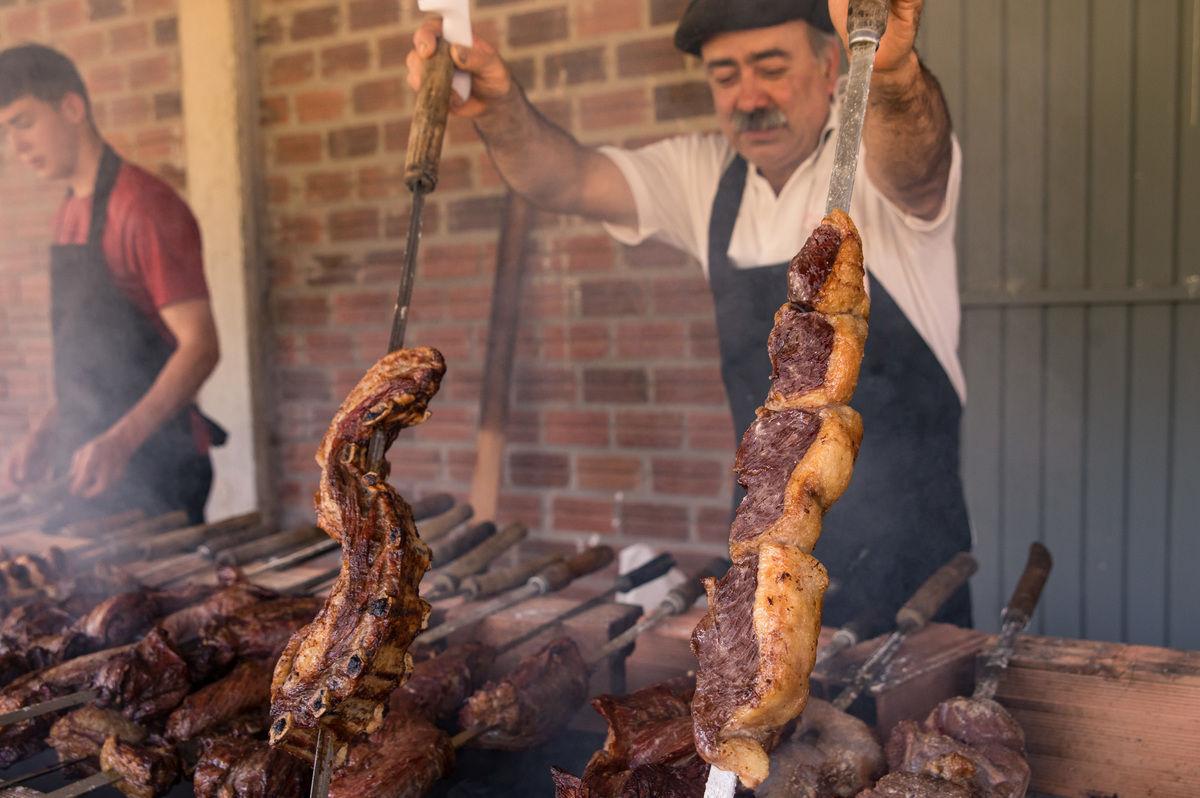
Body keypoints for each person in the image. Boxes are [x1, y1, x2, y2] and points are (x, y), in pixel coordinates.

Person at [408, 0, 973, 629]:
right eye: (725, 76)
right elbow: (564, 178)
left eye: (771, 67)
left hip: (911, 564)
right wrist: (497, 107)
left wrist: (893, 76)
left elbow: (918, 168)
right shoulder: (707, 175)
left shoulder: (872, 159)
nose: (749, 96)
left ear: (829, 67)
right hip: (768, 560)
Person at [0, 44, 223, 526]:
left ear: (72, 108)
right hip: (87, 464)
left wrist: (120, 441)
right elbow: (91, 362)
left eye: (23, 123)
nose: (15, 147)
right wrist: (44, 433)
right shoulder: (68, 212)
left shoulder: (144, 207)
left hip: (157, 467)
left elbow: (200, 347)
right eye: (5, 132)